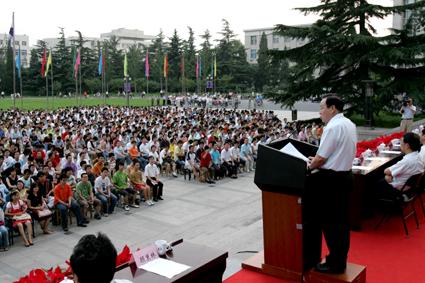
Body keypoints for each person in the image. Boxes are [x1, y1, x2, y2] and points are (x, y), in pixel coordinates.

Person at [307, 96, 357, 274]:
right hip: (345, 176)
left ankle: (335, 264)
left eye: (322, 108)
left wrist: (309, 165)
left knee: (331, 224)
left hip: (331, 181)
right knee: (341, 223)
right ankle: (338, 258)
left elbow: (321, 158)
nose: (319, 112)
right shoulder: (349, 124)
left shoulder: (332, 127)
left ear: (333, 108)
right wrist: (319, 160)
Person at [375, 132, 423, 199]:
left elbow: (386, 171)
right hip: (410, 187)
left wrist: (389, 177)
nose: (400, 144)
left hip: (399, 189)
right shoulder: (418, 156)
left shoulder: (407, 160)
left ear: (407, 145)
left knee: (374, 181)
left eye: (401, 142)